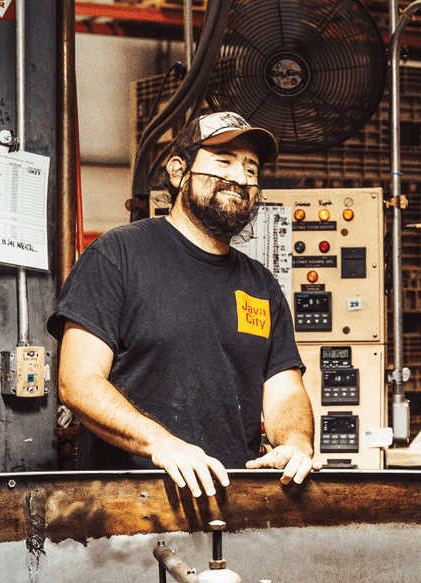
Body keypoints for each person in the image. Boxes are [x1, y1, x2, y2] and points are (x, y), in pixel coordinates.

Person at [48, 111, 319, 498]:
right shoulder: (118, 255)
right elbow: (78, 382)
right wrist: (162, 443)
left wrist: (294, 443)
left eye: (251, 169)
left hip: (231, 506)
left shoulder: (261, 285)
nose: (241, 178)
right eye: (223, 161)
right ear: (179, 172)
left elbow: (284, 392)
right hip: (130, 509)